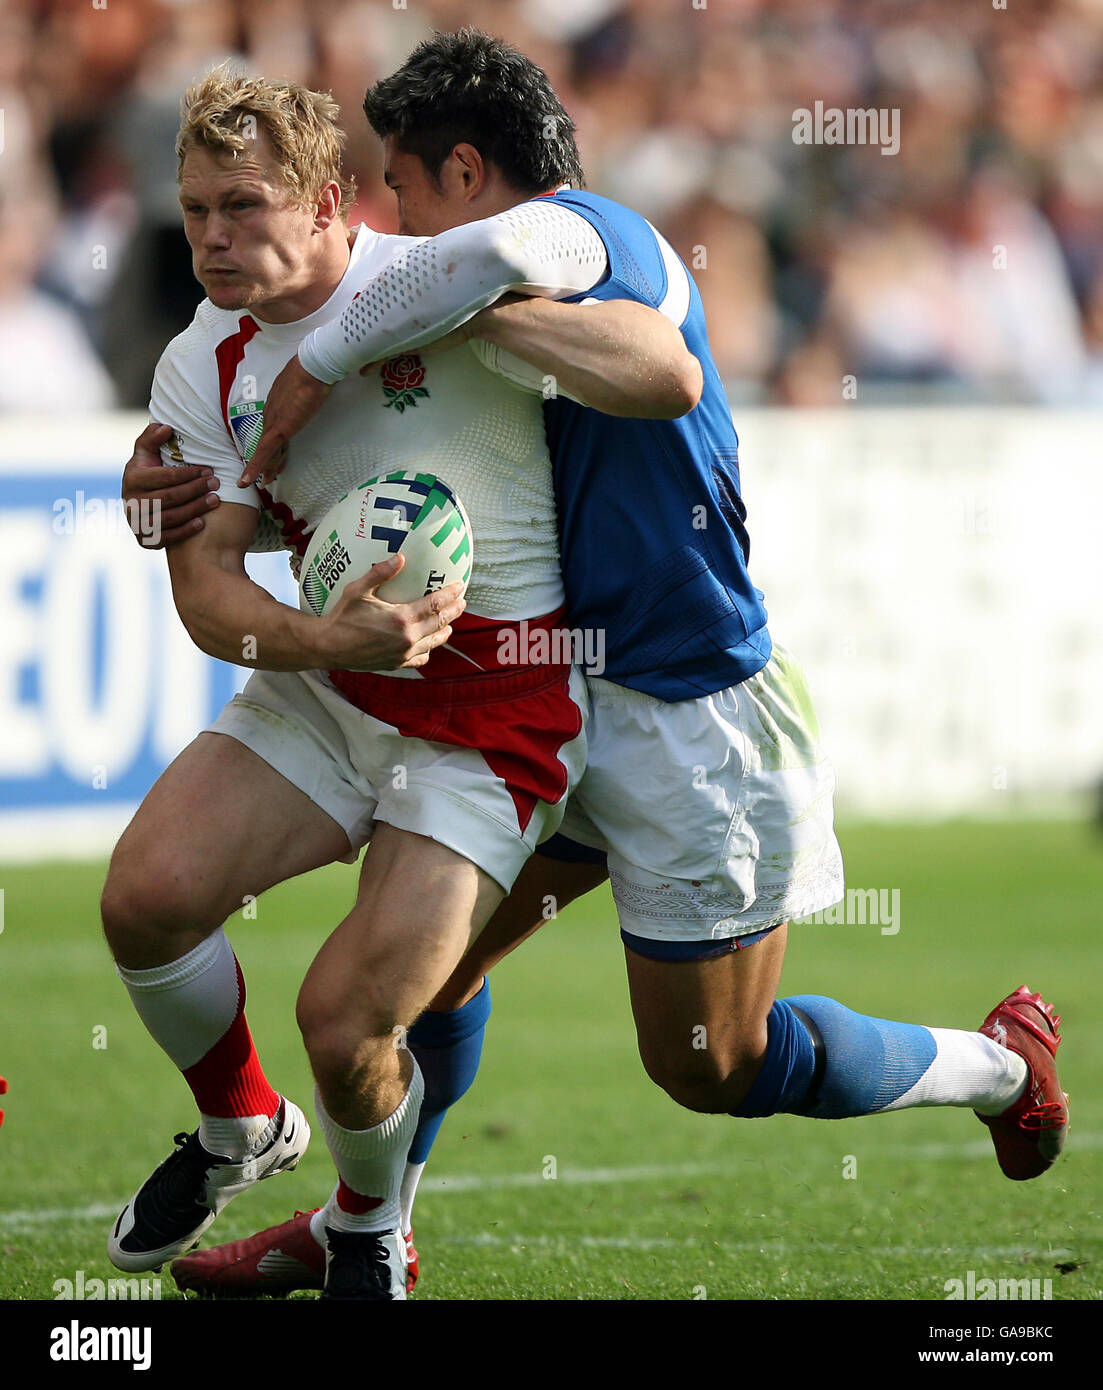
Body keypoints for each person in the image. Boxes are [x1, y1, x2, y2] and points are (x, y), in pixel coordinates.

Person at [136, 32, 1067, 1300]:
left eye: (403, 189)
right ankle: (370, 1224)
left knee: (706, 1065)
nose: (397, 228)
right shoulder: (431, 289)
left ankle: (1000, 1065)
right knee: (417, 980)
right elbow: (327, 359)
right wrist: (165, 465)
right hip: (542, 698)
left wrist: (321, 360)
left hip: (690, 709)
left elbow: (659, 367)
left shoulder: (595, 235)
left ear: (464, 172)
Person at [102, 63, 696, 1301]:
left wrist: (471, 323)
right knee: (145, 898)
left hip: (498, 719)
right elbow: (209, 593)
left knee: (347, 1020)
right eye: (196, 207)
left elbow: (658, 369)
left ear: (327, 200)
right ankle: (238, 1128)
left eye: (244, 205)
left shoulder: (445, 274)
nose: (213, 236)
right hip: (332, 690)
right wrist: (332, 647)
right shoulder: (197, 364)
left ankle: (369, 1221)